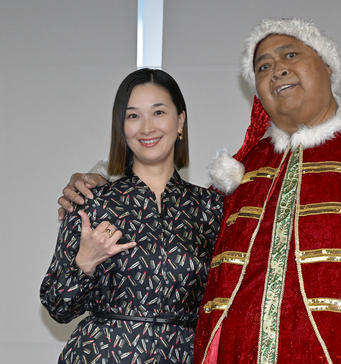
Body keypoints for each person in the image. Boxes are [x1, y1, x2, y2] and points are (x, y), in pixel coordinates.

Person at [57, 19, 341, 364]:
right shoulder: (244, 171)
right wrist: (96, 182)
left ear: (328, 68)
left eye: (291, 54)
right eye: (262, 66)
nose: (276, 68)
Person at [41, 68, 223, 364]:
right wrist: (84, 262)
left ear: (180, 121)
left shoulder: (212, 207)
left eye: (159, 112)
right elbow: (57, 307)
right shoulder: (92, 201)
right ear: (121, 128)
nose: (146, 127)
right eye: (133, 116)